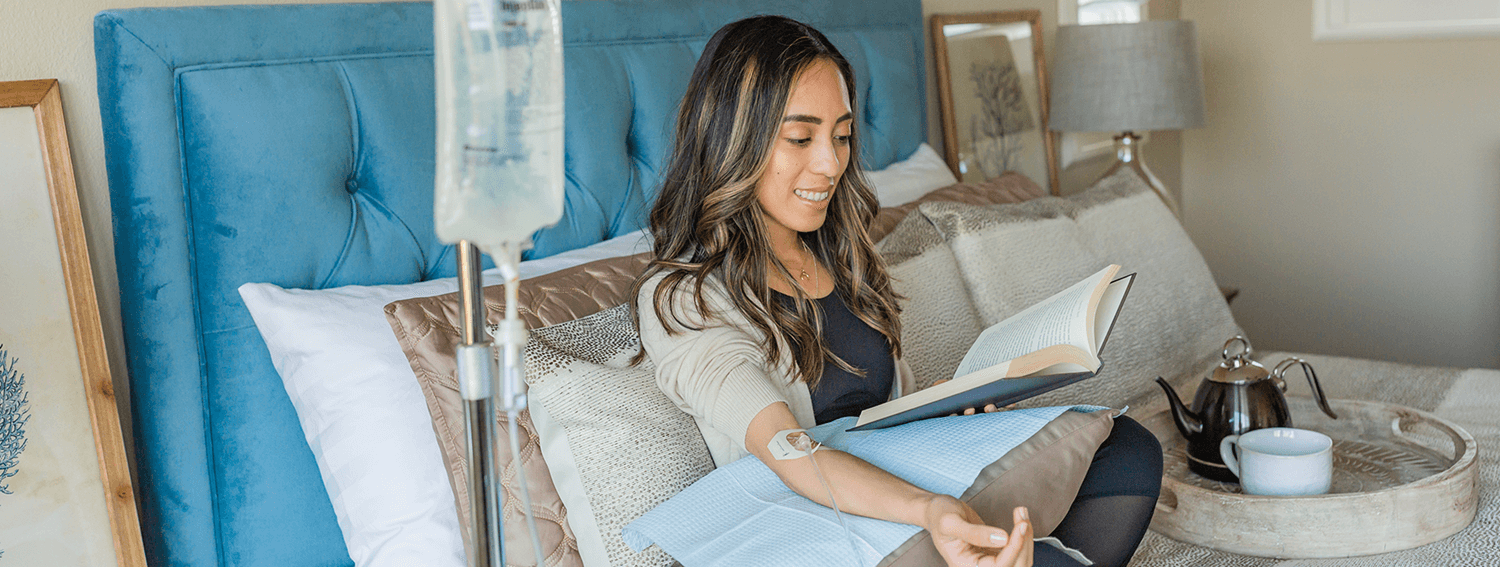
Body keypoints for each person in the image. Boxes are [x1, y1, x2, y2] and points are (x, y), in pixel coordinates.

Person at [630, 15, 1161, 567]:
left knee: (1124, 448)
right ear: (731, 141)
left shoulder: (842, 255)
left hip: (898, 488)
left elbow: (877, 414)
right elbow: (789, 453)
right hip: (818, 519)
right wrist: (931, 508)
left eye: (841, 135)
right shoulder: (685, 297)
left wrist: (944, 410)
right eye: (800, 137)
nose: (830, 163)